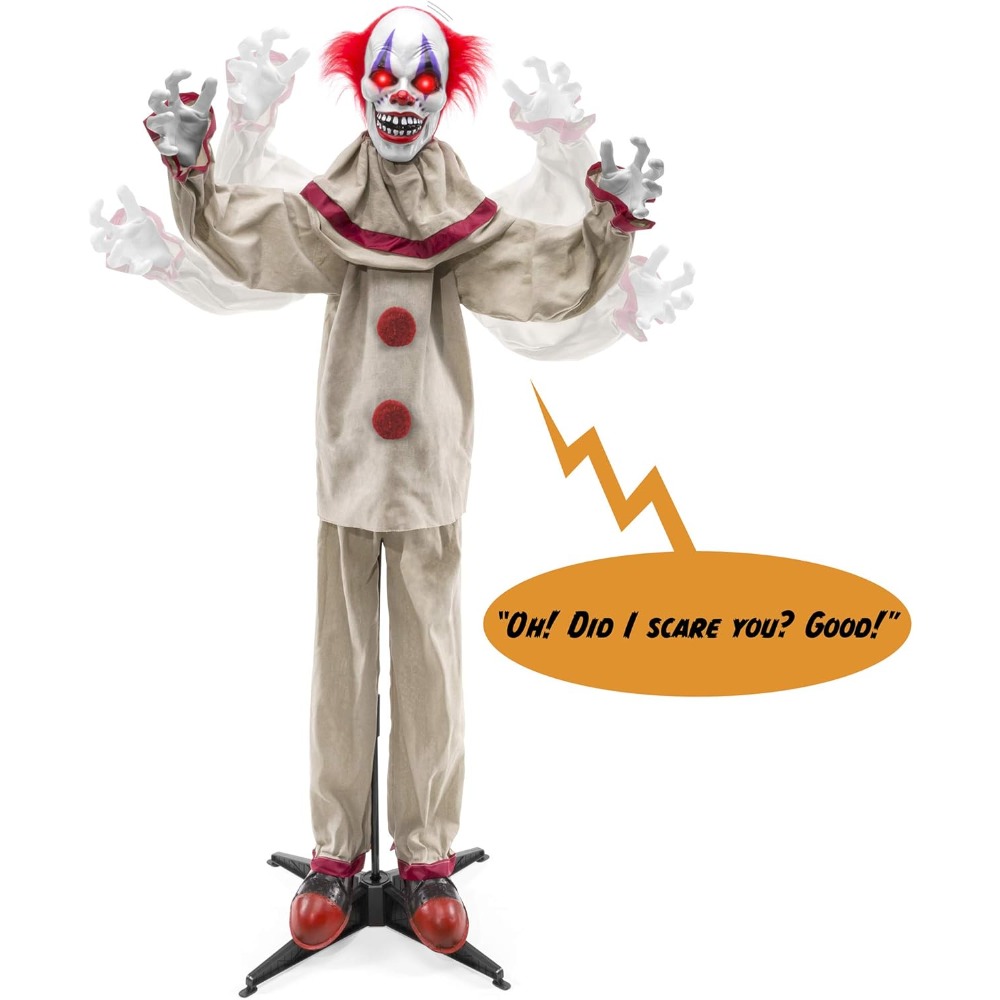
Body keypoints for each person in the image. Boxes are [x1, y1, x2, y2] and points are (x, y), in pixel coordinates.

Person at [142, 6, 668, 955]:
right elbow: (248, 235)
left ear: (445, 95)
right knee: (339, 662)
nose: (401, 96)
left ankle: (424, 857)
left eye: (424, 80)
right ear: (361, 87)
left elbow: (540, 271)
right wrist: (192, 173)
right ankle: (337, 855)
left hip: (430, 474)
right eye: (386, 76)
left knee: (430, 663)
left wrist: (608, 226)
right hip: (350, 466)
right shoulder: (327, 211)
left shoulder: (464, 220)